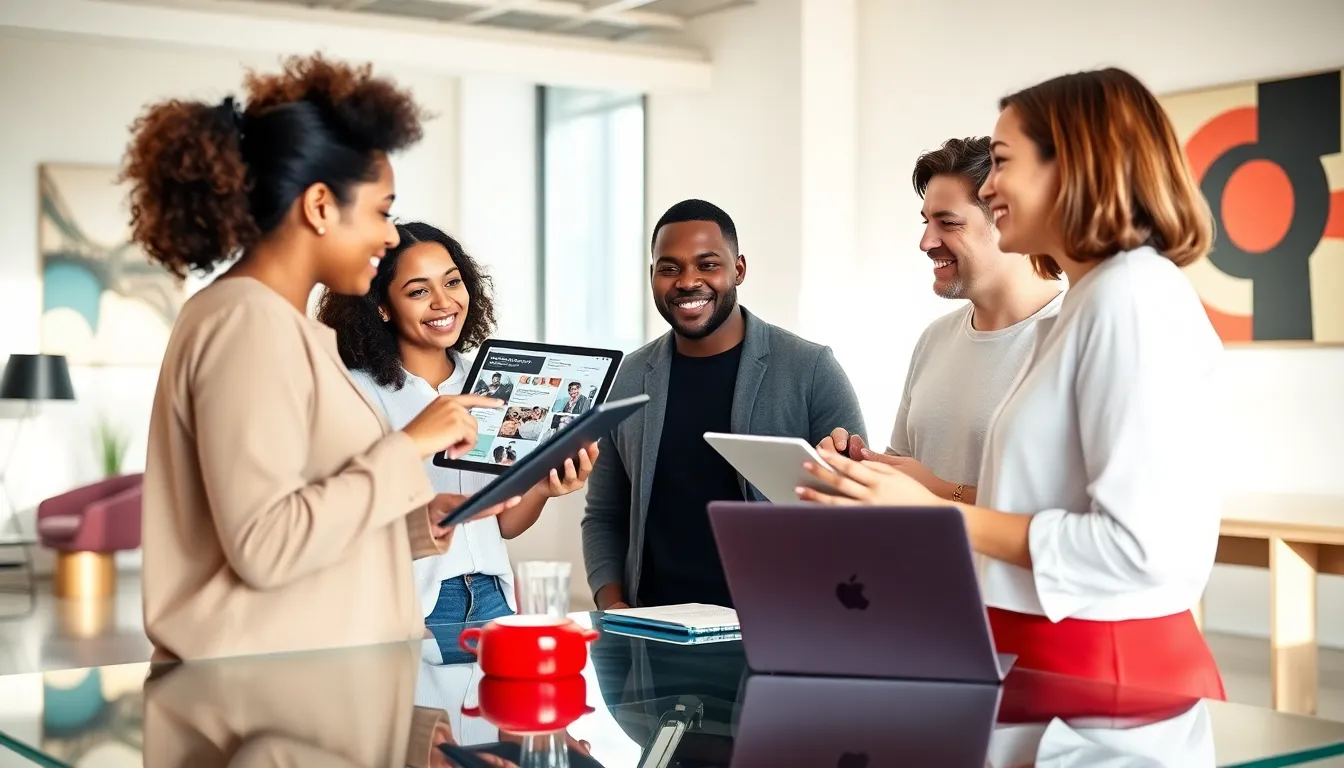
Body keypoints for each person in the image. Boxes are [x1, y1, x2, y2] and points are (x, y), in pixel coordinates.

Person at [801, 68, 1225, 700]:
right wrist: (910, 485)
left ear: (1074, 167)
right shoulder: (1096, 298)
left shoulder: (1132, 300)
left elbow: (1140, 548)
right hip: (1043, 651)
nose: (991, 186)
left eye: (1002, 163)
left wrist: (938, 513)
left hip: (1105, 666)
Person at [131, 54, 520, 661]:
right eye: (381, 210)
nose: (391, 235)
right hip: (267, 695)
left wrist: (421, 525)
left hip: (312, 689)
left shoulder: (268, 323)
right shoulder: (247, 324)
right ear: (319, 206)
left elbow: (297, 523)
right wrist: (411, 443)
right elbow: (267, 545)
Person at [317, 221, 597, 641]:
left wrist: (541, 488)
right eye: (418, 291)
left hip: (494, 598)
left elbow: (500, 524)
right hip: (412, 606)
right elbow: (340, 518)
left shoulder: (491, 383)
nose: (444, 302)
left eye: (452, 282)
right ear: (382, 307)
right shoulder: (354, 392)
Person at [582, 199, 866, 611]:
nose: (688, 281)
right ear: (652, 277)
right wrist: (614, 609)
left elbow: (858, 515)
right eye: (670, 268)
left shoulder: (810, 369)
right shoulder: (626, 378)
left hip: (779, 626)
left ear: (739, 269)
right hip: (653, 631)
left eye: (708, 264)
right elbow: (606, 514)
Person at [823, 137, 1063, 507]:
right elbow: (905, 474)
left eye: (947, 223)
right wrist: (860, 469)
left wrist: (935, 491)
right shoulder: (935, 338)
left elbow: (1073, 517)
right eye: (926, 222)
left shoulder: (1074, 338)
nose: (925, 242)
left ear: (1008, 218)